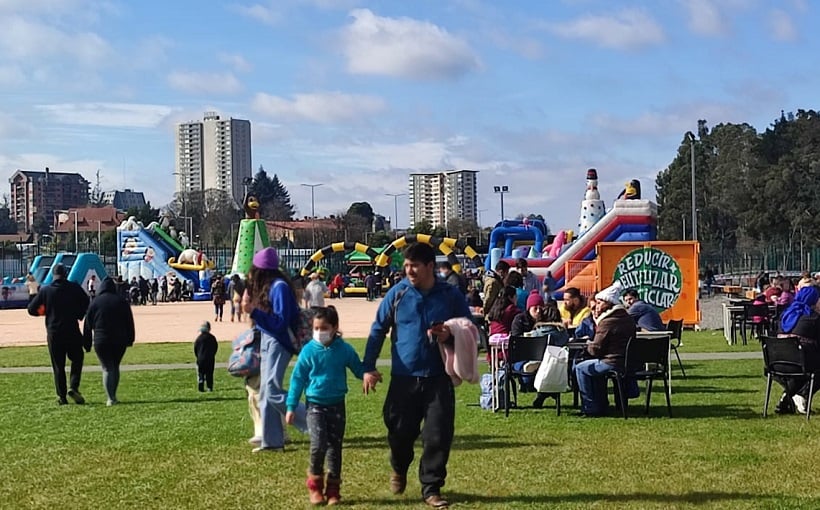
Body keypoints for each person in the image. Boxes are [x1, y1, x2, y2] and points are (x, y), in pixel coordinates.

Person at [362, 242, 472, 509]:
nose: (409, 270)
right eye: (407, 266)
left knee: (438, 436)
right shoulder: (397, 293)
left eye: (415, 266)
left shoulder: (450, 295)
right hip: (404, 377)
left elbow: (469, 327)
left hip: (438, 378)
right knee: (399, 433)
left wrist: (449, 334)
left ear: (430, 266)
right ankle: (399, 466)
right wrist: (368, 367)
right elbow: (378, 329)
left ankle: (431, 488)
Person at [286, 306, 365, 506]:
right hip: (315, 406)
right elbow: (297, 379)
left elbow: (358, 368)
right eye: (316, 328)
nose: (319, 332)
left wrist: (368, 374)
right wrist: (291, 406)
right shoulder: (308, 351)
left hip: (337, 404)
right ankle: (315, 485)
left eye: (324, 328)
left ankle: (333, 490)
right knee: (318, 444)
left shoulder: (344, 350)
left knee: (334, 448)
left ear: (335, 328)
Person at [243, 247, 308, 452]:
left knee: (271, 390)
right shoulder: (271, 287)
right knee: (265, 392)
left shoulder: (279, 288)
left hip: (279, 342)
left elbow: (280, 323)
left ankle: (315, 422)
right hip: (268, 339)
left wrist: (254, 312)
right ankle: (271, 441)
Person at [27, 263, 90, 405]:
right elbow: (86, 302)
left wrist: (44, 310)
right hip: (72, 329)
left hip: (54, 332)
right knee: (77, 358)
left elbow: (31, 309)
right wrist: (79, 314)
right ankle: (74, 386)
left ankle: (62, 396)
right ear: (66, 274)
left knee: (58, 365)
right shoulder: (74, 287)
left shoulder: (46, 290)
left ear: (53, 275)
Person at [574, 282, 635, 417]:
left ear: (608, 303)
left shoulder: (607, 322)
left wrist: (588, 344)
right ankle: (601, 404)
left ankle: (590, 407)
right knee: (592, 367)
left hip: (612, 362)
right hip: (626, 362)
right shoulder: (627, 318)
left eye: (599, 302)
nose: (596, 306)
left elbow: (596, 350)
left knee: (580, 367)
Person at [83, 276, 135, 406]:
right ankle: (113, 395)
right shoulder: (121, 301)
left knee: (107, 368)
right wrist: (130, 339)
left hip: (101, 340)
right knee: (115, 366)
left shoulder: (95, 302)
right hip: (119, 339)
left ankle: (110, 398)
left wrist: (87, 343)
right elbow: (129, 322)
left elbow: (87, 325)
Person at [775, 285, 820, 414]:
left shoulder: (785, 315)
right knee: (813, 367)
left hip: (777, 363)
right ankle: (802, 394)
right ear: (813, 300)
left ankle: (788, 396)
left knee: (803, 365)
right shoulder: (813, 318)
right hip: (799, 363)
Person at [194, 321, 218, 392]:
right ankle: (209, 386)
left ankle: (201, 382)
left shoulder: (198, 339)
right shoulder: (212, 338)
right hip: (210, 359)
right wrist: (212, 354)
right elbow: (215, 347)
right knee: (209, 373)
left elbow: (195, 349)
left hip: (200, 359)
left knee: (200, 372)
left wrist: (198, 356)